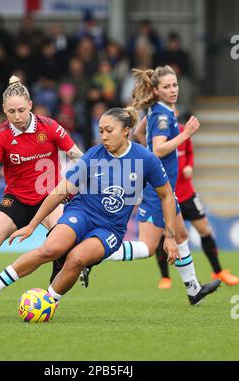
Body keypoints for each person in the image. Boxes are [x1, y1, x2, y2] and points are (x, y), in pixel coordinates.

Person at [0, 106, 180, 311]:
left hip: (111, 228)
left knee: (77, 259)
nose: (103, 137)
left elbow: (166, 196)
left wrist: (170, 236)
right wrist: (32, 225)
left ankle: (48, 301)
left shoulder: (146, 159)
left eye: (109, 131)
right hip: (81, 212)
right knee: (51, 249)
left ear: (126, 131)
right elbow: (60, 192)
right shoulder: (93, 156)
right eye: (100, 131)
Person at [80, 66, 221, 305]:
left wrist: (147, 154)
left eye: (175, 85)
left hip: (164, 186)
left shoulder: (159, 109)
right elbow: (159, 148)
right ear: (156, 90)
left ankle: (193, 290)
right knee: (147, 247)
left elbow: (140, 131)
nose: (173, 89)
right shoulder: (164, 116)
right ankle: (89, 257)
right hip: (158, 189)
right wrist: (185, 135)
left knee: (182, 234)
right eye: (167, 86)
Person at [0, 75, 83, 318]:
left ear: (30, 105)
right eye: (10, 112)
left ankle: (50, 297)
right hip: (17, 199)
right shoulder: (2, 135)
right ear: (4, 110)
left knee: (61, 247)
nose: (16, 116)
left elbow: (78, 156)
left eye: (20, 110)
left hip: (50, 198)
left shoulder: (50, 127)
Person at [155, 121, 239, 288]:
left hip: (187, 194)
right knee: (163, 234)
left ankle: (218, 271)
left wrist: (189, 166)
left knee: (205, 229)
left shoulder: (182, 131)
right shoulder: (157, 137)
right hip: (168, 196)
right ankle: (165, 277)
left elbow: (190, 153)